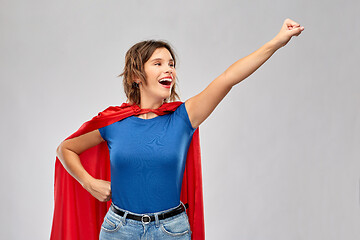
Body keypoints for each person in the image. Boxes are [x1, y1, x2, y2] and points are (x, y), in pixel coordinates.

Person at [53, 18, 304, 240]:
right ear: (136, 76)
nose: (168, 69)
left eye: (171, 64)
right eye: (158, 63)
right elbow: (65, 149)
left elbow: (229, 77)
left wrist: (278, 41)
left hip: (171, 231)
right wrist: (89, 183)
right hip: (119, 230)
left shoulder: (184, 117)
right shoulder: (114, 122)